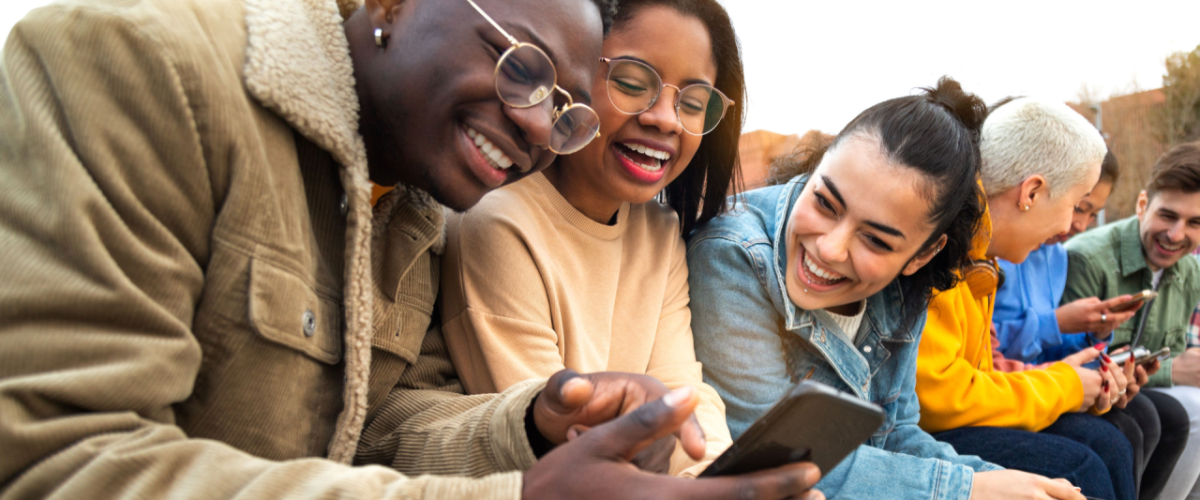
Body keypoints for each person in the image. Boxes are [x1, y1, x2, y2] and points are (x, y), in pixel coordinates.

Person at [0, 0, 824, 498]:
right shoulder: (144, 63)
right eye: (520, 66)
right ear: (391, 4)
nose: (541, 129)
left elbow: (371, 425)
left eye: (568, 108)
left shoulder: (418, 202)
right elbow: (55, 461)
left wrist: (533, 424)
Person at [689, 78, 1088, 500]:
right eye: (825, 203)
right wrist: (969, 488)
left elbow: (895, 431)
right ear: (819, 167)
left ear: (923, 255)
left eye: (876, 240)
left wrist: (1004, 481)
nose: (829, 247)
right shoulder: (731, 254)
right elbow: (773, 461)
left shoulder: (908, 286)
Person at [440, 0, 741, 476]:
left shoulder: (660, 236)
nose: (665, 118)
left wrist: (728, 483)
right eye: (630, 83)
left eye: (692, 103)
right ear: (566, 74)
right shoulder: (497, 222)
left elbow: (684, 395)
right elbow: (557, 444)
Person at [914, 97, 1135, 500]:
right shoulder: (946, 247)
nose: (1071, 225)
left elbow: (980, 373)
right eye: (1075, 204)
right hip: (922, 437)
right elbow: (938, 399)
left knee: (1113, 438)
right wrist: (1064, 385)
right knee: (1080, 465)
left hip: (953, 423)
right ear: (1031, 191)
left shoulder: (983, 253)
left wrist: (1063, 375)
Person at [992, 148, 1188, 499]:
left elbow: (1057, 347)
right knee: (1110, 441)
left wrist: (1097, 338)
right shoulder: (1004, 255)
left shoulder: (1054, 254)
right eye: (1077, 207)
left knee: (1153, 417)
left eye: (1092, 213)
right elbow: (991, 350)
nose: (1077, 226)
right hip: (1017, 385)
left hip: (1041, 377)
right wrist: (1056, 324)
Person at [1064, 141, 1200, 500]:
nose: (1175, 235)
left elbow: (1176, 351)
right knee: (1174, 416)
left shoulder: (1190, 272)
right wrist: (1171, 371)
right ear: (1143, 205)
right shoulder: (1088, 259)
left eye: (1195, 223)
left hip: (1134, 388)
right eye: (1168, 216)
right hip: (1090, 388)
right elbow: (1068, 353)